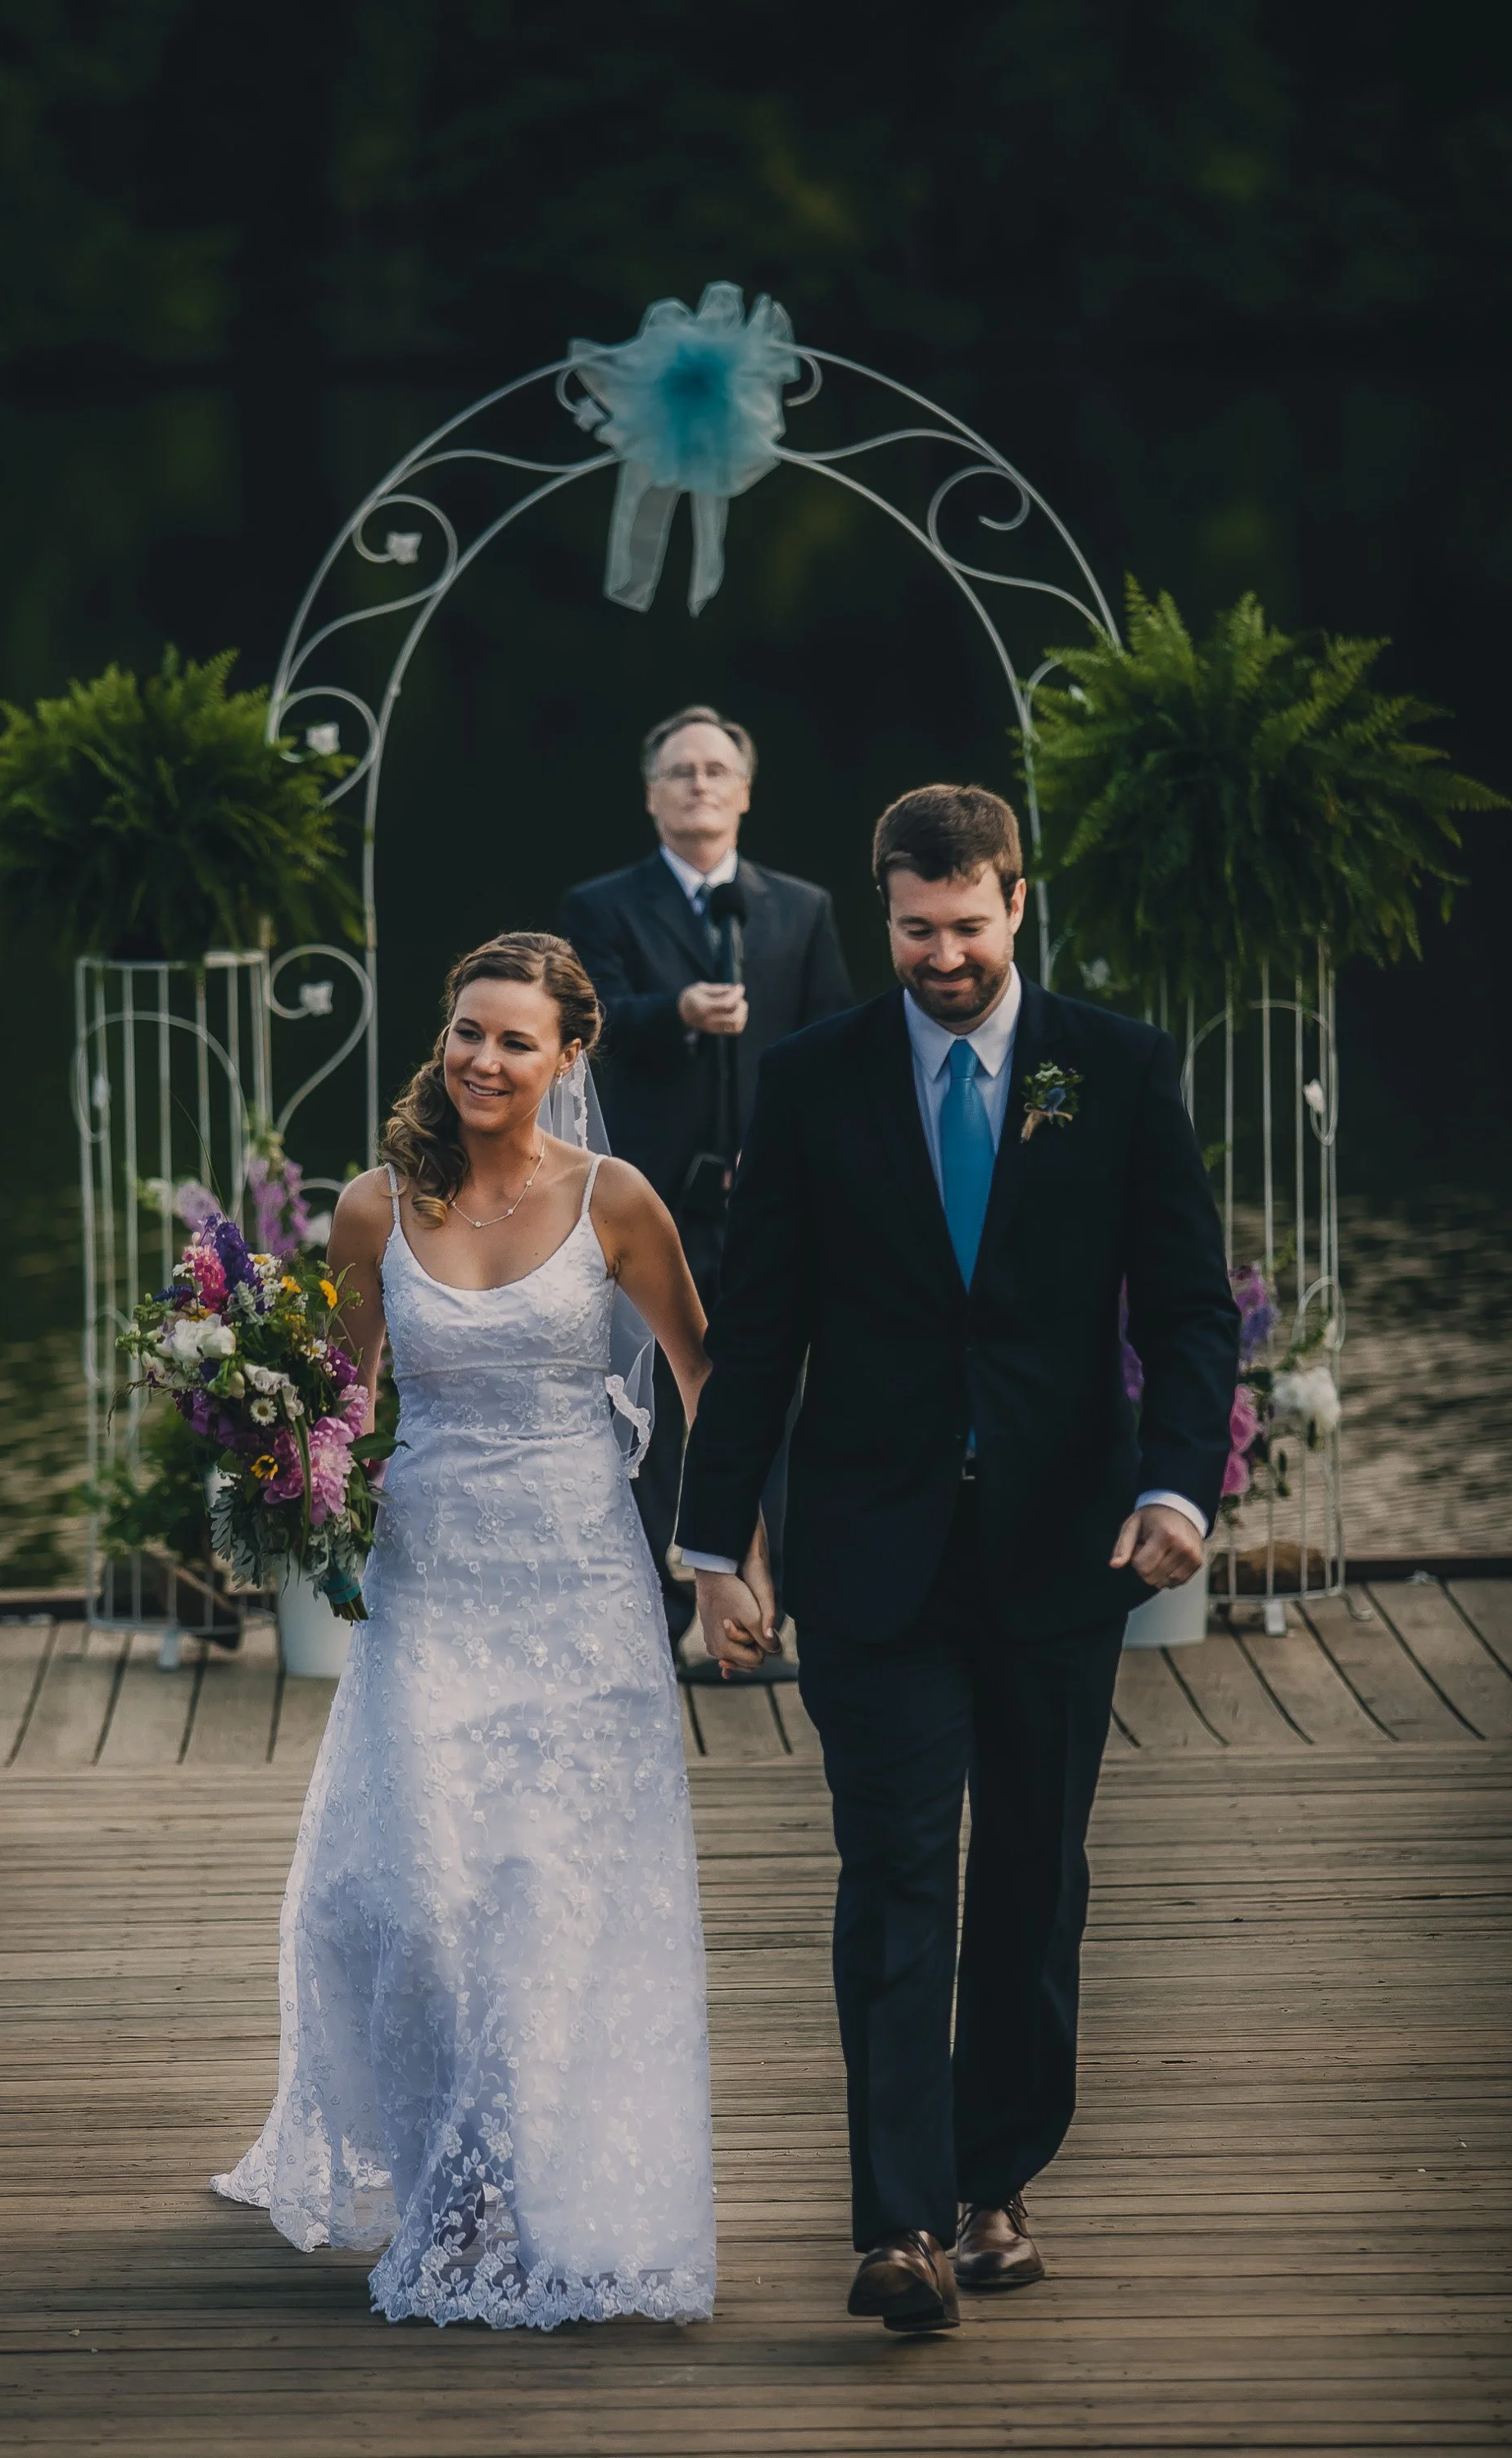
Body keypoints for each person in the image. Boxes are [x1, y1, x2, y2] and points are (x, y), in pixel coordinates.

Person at [675, 785, 1239, 2333]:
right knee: (900, 1872)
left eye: (969, 928)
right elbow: (760, 1330)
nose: (943, 956)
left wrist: (1182, 1487)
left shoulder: (1111, 1067)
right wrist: (719, 1545)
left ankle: (998, 2185)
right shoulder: (811, 1080)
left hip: (1065, 1548)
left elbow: (1189, 1311)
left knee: (1036, 1886)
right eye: (916, 931)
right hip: (875, 1553)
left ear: (1018, 902)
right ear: (883, 913)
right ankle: (901, 2227)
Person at [213, 932, 769, 2329]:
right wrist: (267, 1461)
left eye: (516, 1040)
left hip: (582, 1590)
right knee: (417, 1894)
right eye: (467, 1031)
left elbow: (708, 1384)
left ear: (571, 1055)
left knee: (547, 1900)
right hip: (431, 1590)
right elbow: (340, 1402)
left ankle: (515, 2189)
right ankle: (448, 2167)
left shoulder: (619, 1202)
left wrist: (722, 1567)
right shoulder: (371, 1209)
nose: (482, 1059)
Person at [559, 705, 853, 1640]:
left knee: (767, 1393)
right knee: (644, 1399)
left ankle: (768, 1606)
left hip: (761, 1199)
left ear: (745, 794)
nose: (698, 784)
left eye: (714, 770)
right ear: (651, 797)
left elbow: (830, 1044)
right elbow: (585, 1025)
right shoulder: (599, 906)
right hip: (645, 1202)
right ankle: (662, 1605)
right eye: (679, 771)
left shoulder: (799, 908)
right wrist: (674, 1009)